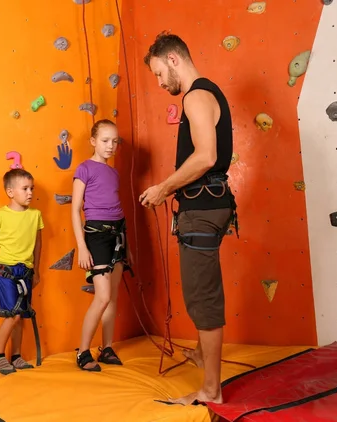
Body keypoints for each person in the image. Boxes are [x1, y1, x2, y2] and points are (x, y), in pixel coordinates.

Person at [139, 32, 238, 405]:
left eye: (159, 73)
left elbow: (205, 157)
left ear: (173, 59)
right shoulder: (205, 93)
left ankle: (211, 390)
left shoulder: (196, 95)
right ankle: (201, 353)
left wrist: (164, 188)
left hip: (204, 207)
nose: (160, 82)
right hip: (203, 205)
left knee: (201, 294)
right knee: (201, 285)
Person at [71, 119, 131, 372]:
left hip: (118, 233)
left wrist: (128, 247)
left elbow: (117, 208)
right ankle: (83, 351)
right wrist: (82, 247)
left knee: (113, 296)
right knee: (103, 296)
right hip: (96, 235)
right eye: (105, 141)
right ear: (93, 141)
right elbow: (75, 211)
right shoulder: (84, 168)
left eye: (115, 141)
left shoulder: (114, 172)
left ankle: (107, 348)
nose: (111, 146)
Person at [0, 168, 44, 375]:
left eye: (31, 188)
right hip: (6, 271)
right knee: (12, 314)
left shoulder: (36, 215)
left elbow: (38, 245)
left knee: (22, 315)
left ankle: (15, 355)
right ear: (10, 192)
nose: (30, 193)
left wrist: (36, 270)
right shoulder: (1, 214)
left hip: (26, 271)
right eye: (25, 188)